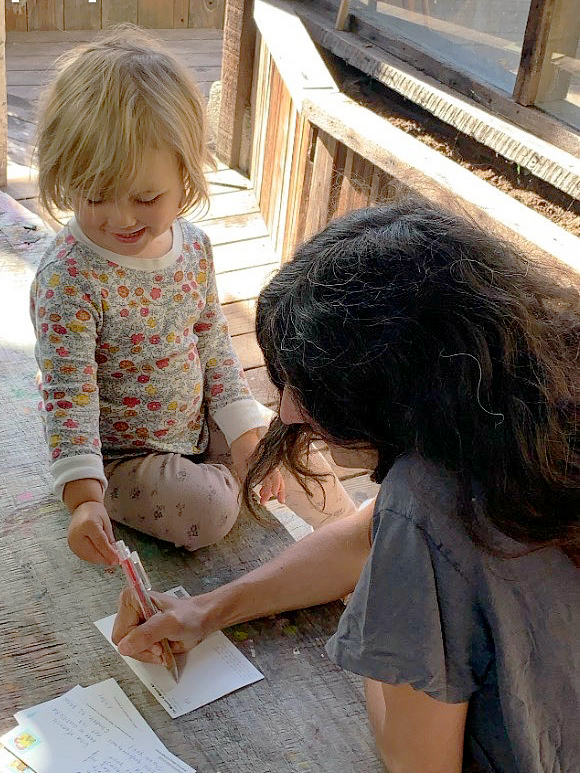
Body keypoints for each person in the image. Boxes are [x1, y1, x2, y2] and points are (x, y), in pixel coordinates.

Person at [112, 196, 579, 772]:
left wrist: (375, 623)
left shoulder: (427, 498)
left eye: (305, 388)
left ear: (389, 389)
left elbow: (417, 764)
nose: (283, 411)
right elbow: (370, 531)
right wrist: (205, 611)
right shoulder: (532, 396)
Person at [30, 27, 356, 569]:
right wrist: (83, 499)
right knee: (210, 510)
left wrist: (245, 434)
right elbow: (69, 395)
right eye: (95, 196)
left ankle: (355, 543)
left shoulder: (195, 247)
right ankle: (205, 485)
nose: (122, 217)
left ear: (185, 172)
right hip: (120, 458)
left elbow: (211, 340)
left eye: (146, 196)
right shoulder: (69, 278)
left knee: (288, 444)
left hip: (194, 422)